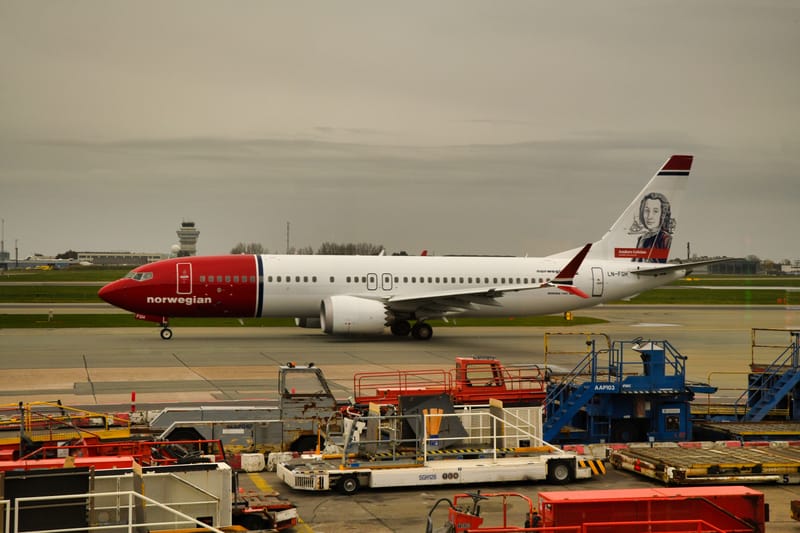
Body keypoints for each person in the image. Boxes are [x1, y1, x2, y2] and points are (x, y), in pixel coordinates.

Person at [634, 192, 673, 263]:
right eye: (646, 210)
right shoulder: (641, 238)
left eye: (655, 211)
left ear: (663, 214)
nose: (649, 216)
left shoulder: (666, 239)